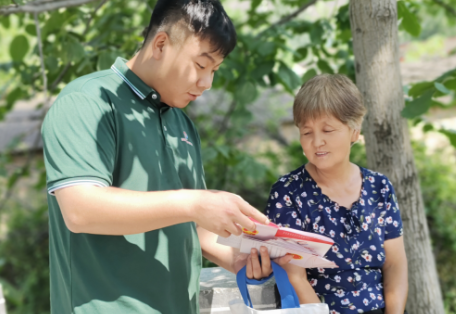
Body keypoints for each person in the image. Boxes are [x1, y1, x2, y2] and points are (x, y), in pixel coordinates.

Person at [41, 0, 290, 313]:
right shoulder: (88, 102)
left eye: (214, 71)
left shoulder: (181, 122)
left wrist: (240, 258)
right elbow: (80, 209)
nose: (207, 83)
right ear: (161, 44)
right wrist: (195, 203)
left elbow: (195, 227)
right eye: (201, 65)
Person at [264, 74, 408, 314]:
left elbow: (395, 263)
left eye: (328, 130)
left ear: (354, 131)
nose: (317, 141)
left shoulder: (379, 186)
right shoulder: (287, 192)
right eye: (307, 132)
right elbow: (294, 277)